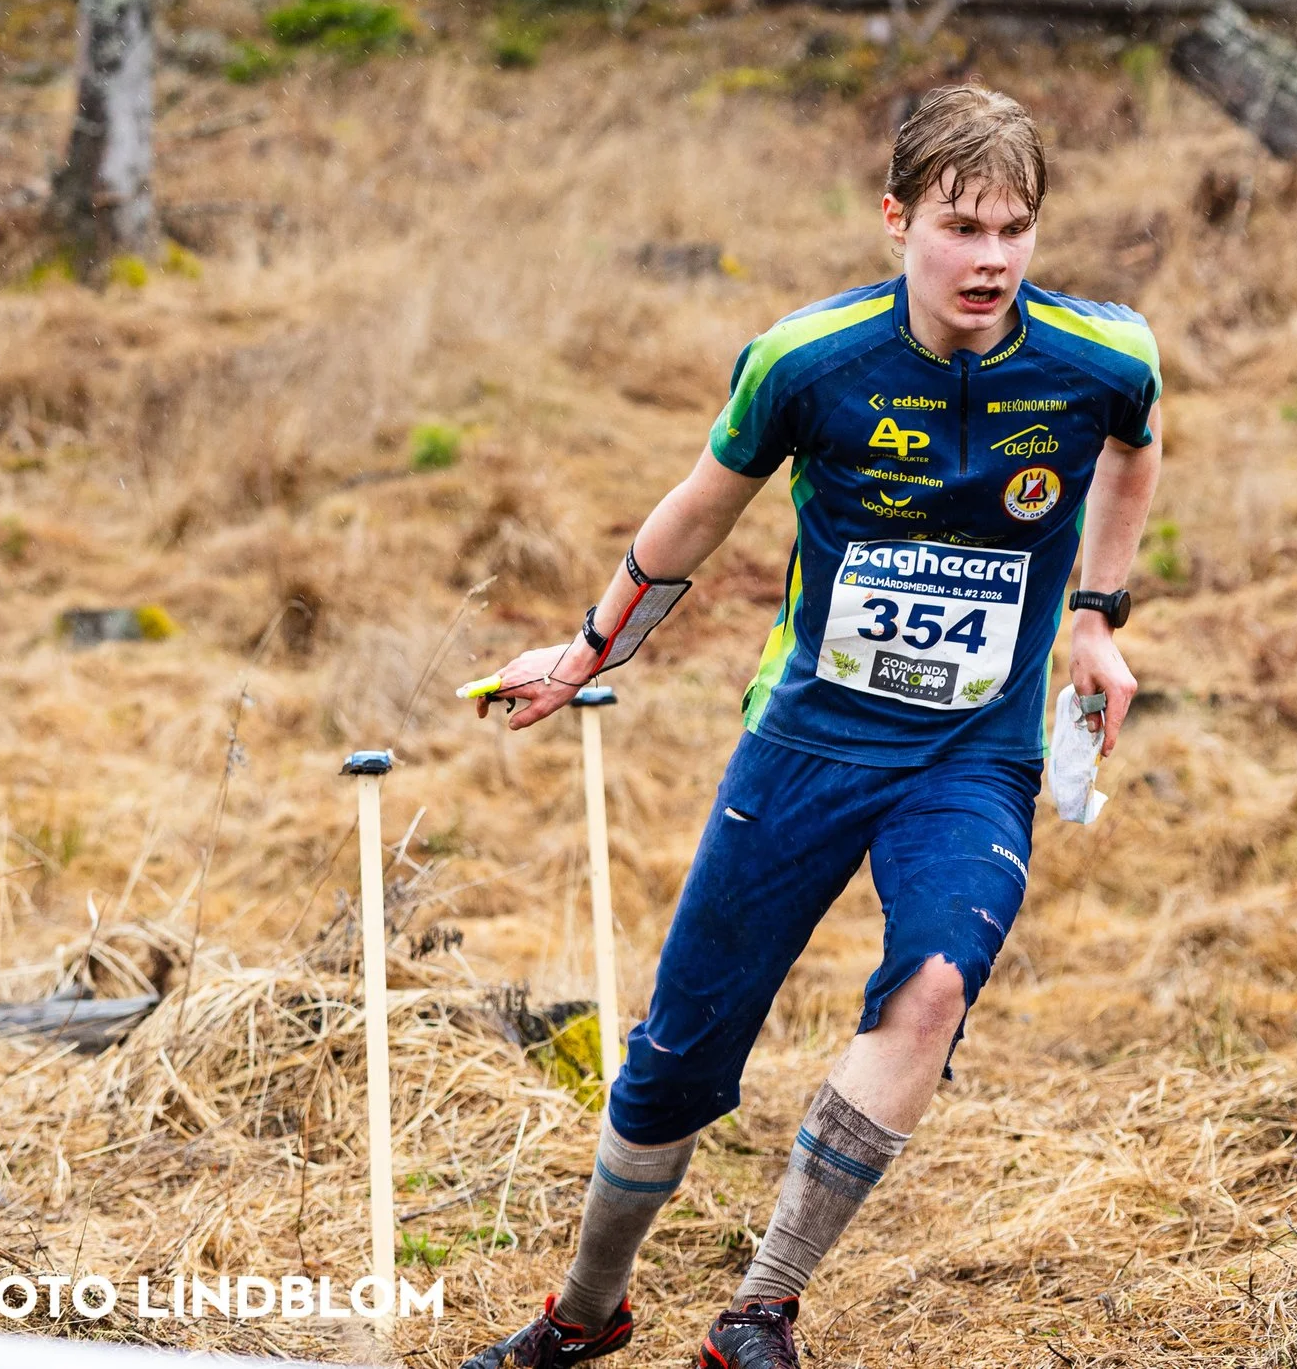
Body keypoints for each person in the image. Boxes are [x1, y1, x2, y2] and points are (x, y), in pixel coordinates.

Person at [457, 86, 1162, 1369]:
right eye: (959, 226)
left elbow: (1133, 446)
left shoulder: (1100, 357)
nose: (990, 258)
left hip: (971, 752)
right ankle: (587, 1310)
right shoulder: (806, 360)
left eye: (1013, 229)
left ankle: (759, 1309)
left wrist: (1096, 617)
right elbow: (696, 509)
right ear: (896, 219)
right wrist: (586, 648)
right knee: (675, 1062)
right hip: (805, 743)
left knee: (934, 983)